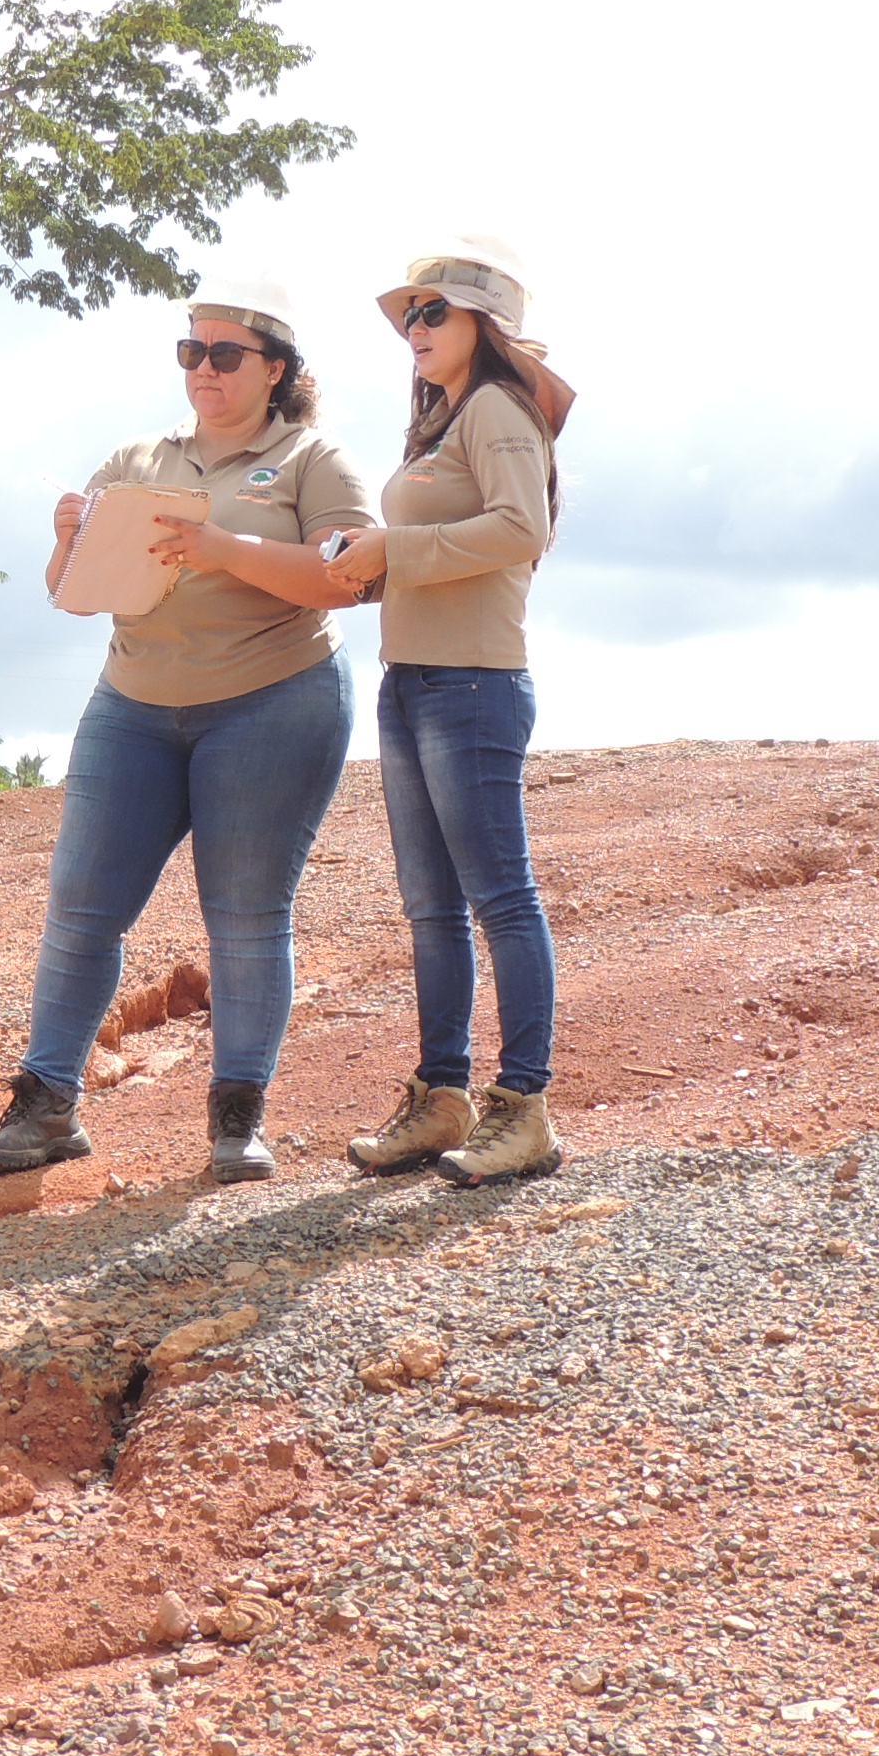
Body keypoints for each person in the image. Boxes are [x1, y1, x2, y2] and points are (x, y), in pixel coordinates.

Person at [0, 286, 376, 1185]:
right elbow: (74, 592)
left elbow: (351, 579)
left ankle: (237, 1119)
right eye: (191, 353)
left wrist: (228, 549)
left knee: (242, 912)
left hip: (274, 698)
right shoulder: (139, 457)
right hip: (135, 704)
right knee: (81, 905)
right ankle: (46, 1105)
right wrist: (67, 540)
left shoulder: (315, 460)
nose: (205, 371)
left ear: (277, 370)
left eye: (226, 356)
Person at [321, 243, 577, 1186]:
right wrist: (373, 555)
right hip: (415, 678)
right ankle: (442, 1098)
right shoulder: (442, 420)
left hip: (471, 683)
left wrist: (399, 544)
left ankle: (523, 1108)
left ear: (485, 328)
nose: (416, 330)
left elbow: (523, 529)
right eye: (411, 316)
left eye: (436, 314)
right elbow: (450, 539)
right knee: (431, 906)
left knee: (499, 897)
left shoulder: (501, 409)